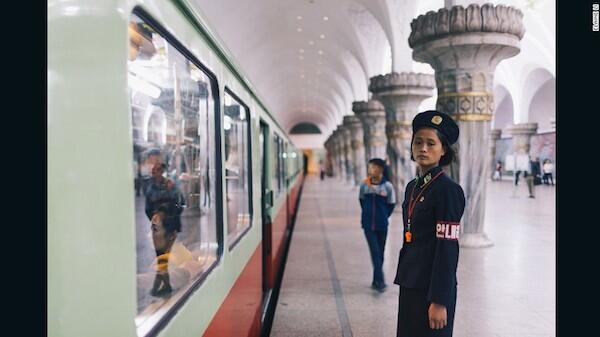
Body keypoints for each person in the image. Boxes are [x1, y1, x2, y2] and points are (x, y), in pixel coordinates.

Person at [394, 110, 465, 337]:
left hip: (432, 288)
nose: (423, 148)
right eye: (418, 142)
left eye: (431, 143)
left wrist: (440, 300)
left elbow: (447, 248)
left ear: (443, 150)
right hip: (410, 281)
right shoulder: (412, 187)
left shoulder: (448, 190)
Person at [358, 158, 396, 292]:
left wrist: (384, 216)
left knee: (380, 252)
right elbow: (362, 201)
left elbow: (391, 205)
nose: (371, 170)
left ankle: (376, 279)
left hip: (382, 225)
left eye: (373, 167)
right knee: (375, 252)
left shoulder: (388, 187)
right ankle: (380, 281)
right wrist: (368, 215)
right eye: (370, 168)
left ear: (380, 169)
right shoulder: (364, 185)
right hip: (368, 225)